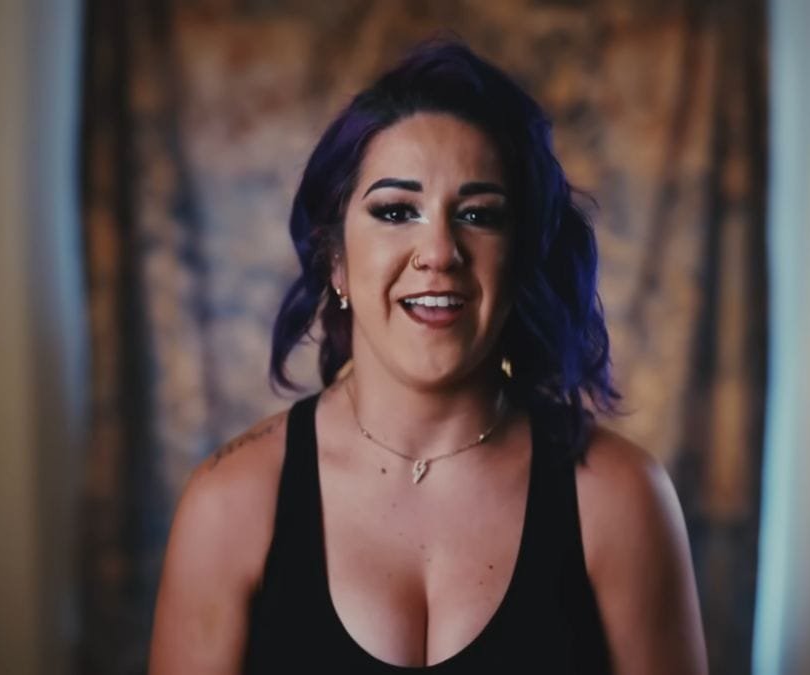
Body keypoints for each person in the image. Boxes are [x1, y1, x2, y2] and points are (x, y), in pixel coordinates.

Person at [149, 41, 706, 674]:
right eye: (395, 211)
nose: (439, 252)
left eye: (478, 215)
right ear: (335, 259)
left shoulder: (620, 498)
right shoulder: (230, 504)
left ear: (521, 257)